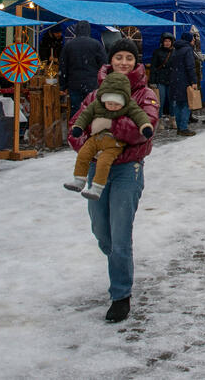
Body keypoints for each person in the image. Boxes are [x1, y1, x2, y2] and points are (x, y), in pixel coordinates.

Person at [67, 38, 159, 323]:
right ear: (110, 61)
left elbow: (144, 129)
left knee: (120, 234)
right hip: (96, 169)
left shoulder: (145, 95)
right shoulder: (96, 94)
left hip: (126, 170)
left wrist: (107, 125)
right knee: (101, 230)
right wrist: (84, 140)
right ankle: (119, 262)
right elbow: (76, 127)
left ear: (135, 62)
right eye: (118, 57)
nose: (123, 62)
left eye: (128, 58)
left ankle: (120, 294)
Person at [65, 72, 154, 199]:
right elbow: (85, 115)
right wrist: (78, 127)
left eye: (117, 104)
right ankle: (79, 180)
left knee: (103, 162)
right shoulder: (96, 103)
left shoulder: (130, 105)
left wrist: (145, 127)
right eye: (110, 104)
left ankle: (96, 188)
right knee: (83, 154)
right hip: (96, 138)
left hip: (114, 143)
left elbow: (140, 115)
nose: (112, 107)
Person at [60, 21, 107, 115]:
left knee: (76, 111)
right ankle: (90, 129)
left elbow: (63, 66)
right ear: (89, 30)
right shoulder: (96, 44)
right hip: (92, 83)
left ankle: (76, 128)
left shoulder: (69, 45)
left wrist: (63, 85)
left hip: (74, 83)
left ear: (76, 30)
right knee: (92, 110)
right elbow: (104, 64)